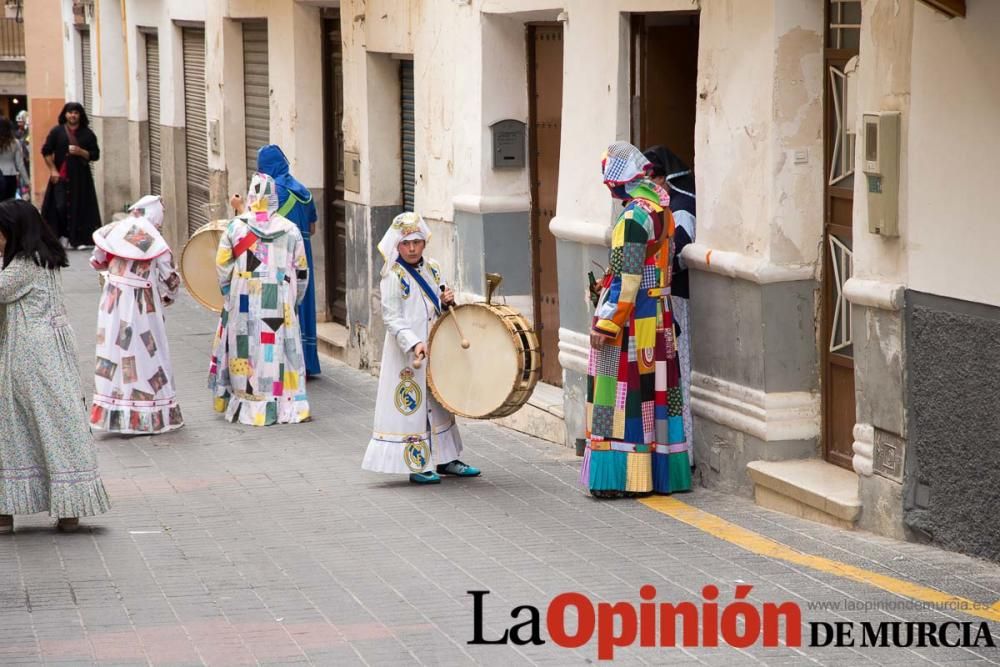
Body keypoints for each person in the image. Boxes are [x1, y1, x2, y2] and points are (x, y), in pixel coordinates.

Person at [581, 141, 690, 498]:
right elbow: (652, 266)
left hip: (631, 321)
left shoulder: (631, 218)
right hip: (658, 319)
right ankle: (660, 476)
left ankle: (617, 478)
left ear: (616, 179)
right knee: (657, 394)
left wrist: (607, 321)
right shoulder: (662, 208)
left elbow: (628, 281)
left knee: (616, 396)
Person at [0, 199, 111, 533]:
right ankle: (68, 507)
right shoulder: (44, 258)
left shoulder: (22, 265)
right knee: (55, 423)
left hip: (29, 353)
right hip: (51, 349)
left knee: (17, 426)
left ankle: (10, 508)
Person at [361, 212, 480, 484]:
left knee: (440, 403)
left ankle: (446, 458)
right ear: (397, 246)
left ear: (424, 242)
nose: (412, 248)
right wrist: (413, 342)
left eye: (416, 242)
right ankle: (417, 463)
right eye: (406, 244)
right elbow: (391, 316)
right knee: (412, 405)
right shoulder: (392, 275)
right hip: (407, 354)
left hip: (435, 348)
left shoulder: (434, 268)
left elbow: (439, 304)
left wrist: (448, 298)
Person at [208, 172, 311, 426]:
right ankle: (285, 401)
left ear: (251, 196)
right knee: (280, 349)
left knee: (247, 347)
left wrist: (229, 293)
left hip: (244, 297)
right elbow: (302, 271)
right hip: (280, 298)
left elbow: (222, 266)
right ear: (274, 197)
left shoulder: (235, 227)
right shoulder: (290, 230)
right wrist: (295, 300)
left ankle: (249, 400)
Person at [88, 194, 184, 434]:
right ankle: (146, 414)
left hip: (112, 302)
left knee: (113, 352)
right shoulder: (154, 240)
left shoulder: (114, 229)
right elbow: (169, 277)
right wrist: (168, 297)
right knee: (146, 354)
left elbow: (97, 260)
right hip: (142, 305)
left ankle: (115, 414)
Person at [644, 145, 696, 462]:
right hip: (670, 299)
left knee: (684, 370)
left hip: (680, 301)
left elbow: (681, 253)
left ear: (665, 178)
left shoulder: (681, 207)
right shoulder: (664, 208)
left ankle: (686, 450)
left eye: (652, 179)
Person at [256, 144, 322, 377]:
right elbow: (312, 228)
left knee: (280, 305)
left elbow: (257, 225)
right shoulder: (303, 191)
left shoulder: (269, 192)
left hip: (277, 259)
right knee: (302, 304)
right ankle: (307, 362)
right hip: (303, 256)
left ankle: (283, 362)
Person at [40, 102, 102, 250]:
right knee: (59, 206)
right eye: (70, 112)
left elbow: (95, 154)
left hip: (80, 179)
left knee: (79, 207)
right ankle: (62, 235)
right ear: (65, 114)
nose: (73, 115)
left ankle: (78, 239)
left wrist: (81, 152)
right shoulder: (57, 132)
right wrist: (53, 170)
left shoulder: (87, 134)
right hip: (60, 177)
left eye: (76, 112)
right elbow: (46, 151)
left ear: (80, 115)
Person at [0, 117, 28, 202]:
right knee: (9, 204)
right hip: (11, 176)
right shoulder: (15, 142)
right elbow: (20, 164)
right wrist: (27, 181)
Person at [14, 110, 29, 194]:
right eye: (18, 122)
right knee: (21, 180)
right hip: (19, 158)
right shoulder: (16, 133)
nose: (20, 123)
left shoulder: (28, 132)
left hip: (27, 159)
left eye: (21, 121)